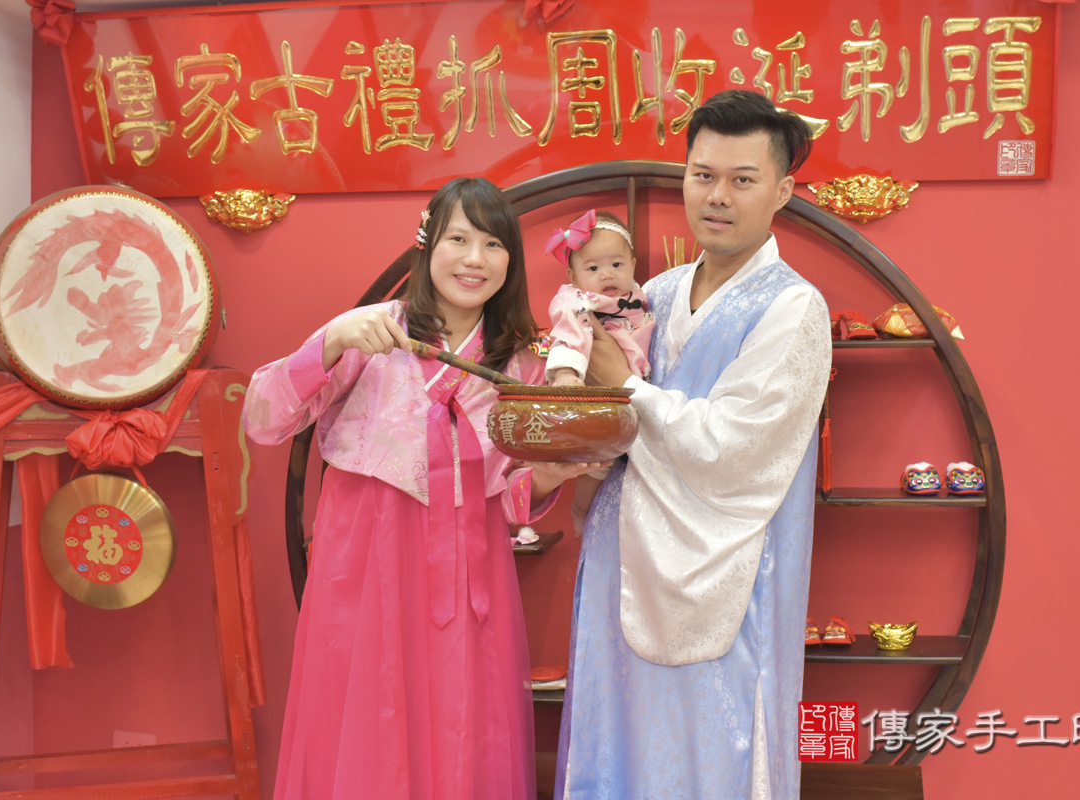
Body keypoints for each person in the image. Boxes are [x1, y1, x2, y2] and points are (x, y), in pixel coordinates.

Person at [243, 177, 600, 800]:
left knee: (466, 717)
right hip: (365, 561)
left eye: (493, 244)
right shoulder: (369, 331)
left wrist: (551, 475)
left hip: (472, 567)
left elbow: (509, 498)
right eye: (458, 239)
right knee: (368, 715)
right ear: (427, 245)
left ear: (511, 261)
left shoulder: (522, 362)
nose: (474, 259)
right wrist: (330, 342)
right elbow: (263, 420)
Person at [554, 90, 832, 799]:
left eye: (743, 179)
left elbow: (732, 449)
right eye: (702, 174)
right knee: (612, 745)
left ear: (782, 191)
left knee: (710, 759)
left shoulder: (793, 307)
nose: (717, 196)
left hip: (718, 578)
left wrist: (624, 387)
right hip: (620, 560)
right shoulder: (661, 290)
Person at [543, 209, 655, 533]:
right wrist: (567, 374)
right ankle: (580, 509)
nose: (607, 275)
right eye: (593, 268)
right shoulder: (578, 300)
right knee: (598, 464)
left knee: (633, 461)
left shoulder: (640, 297)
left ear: (633, 263)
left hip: (635, 391)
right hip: (593, 392)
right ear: (573, 275)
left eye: (617, 264)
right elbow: (570, 334)